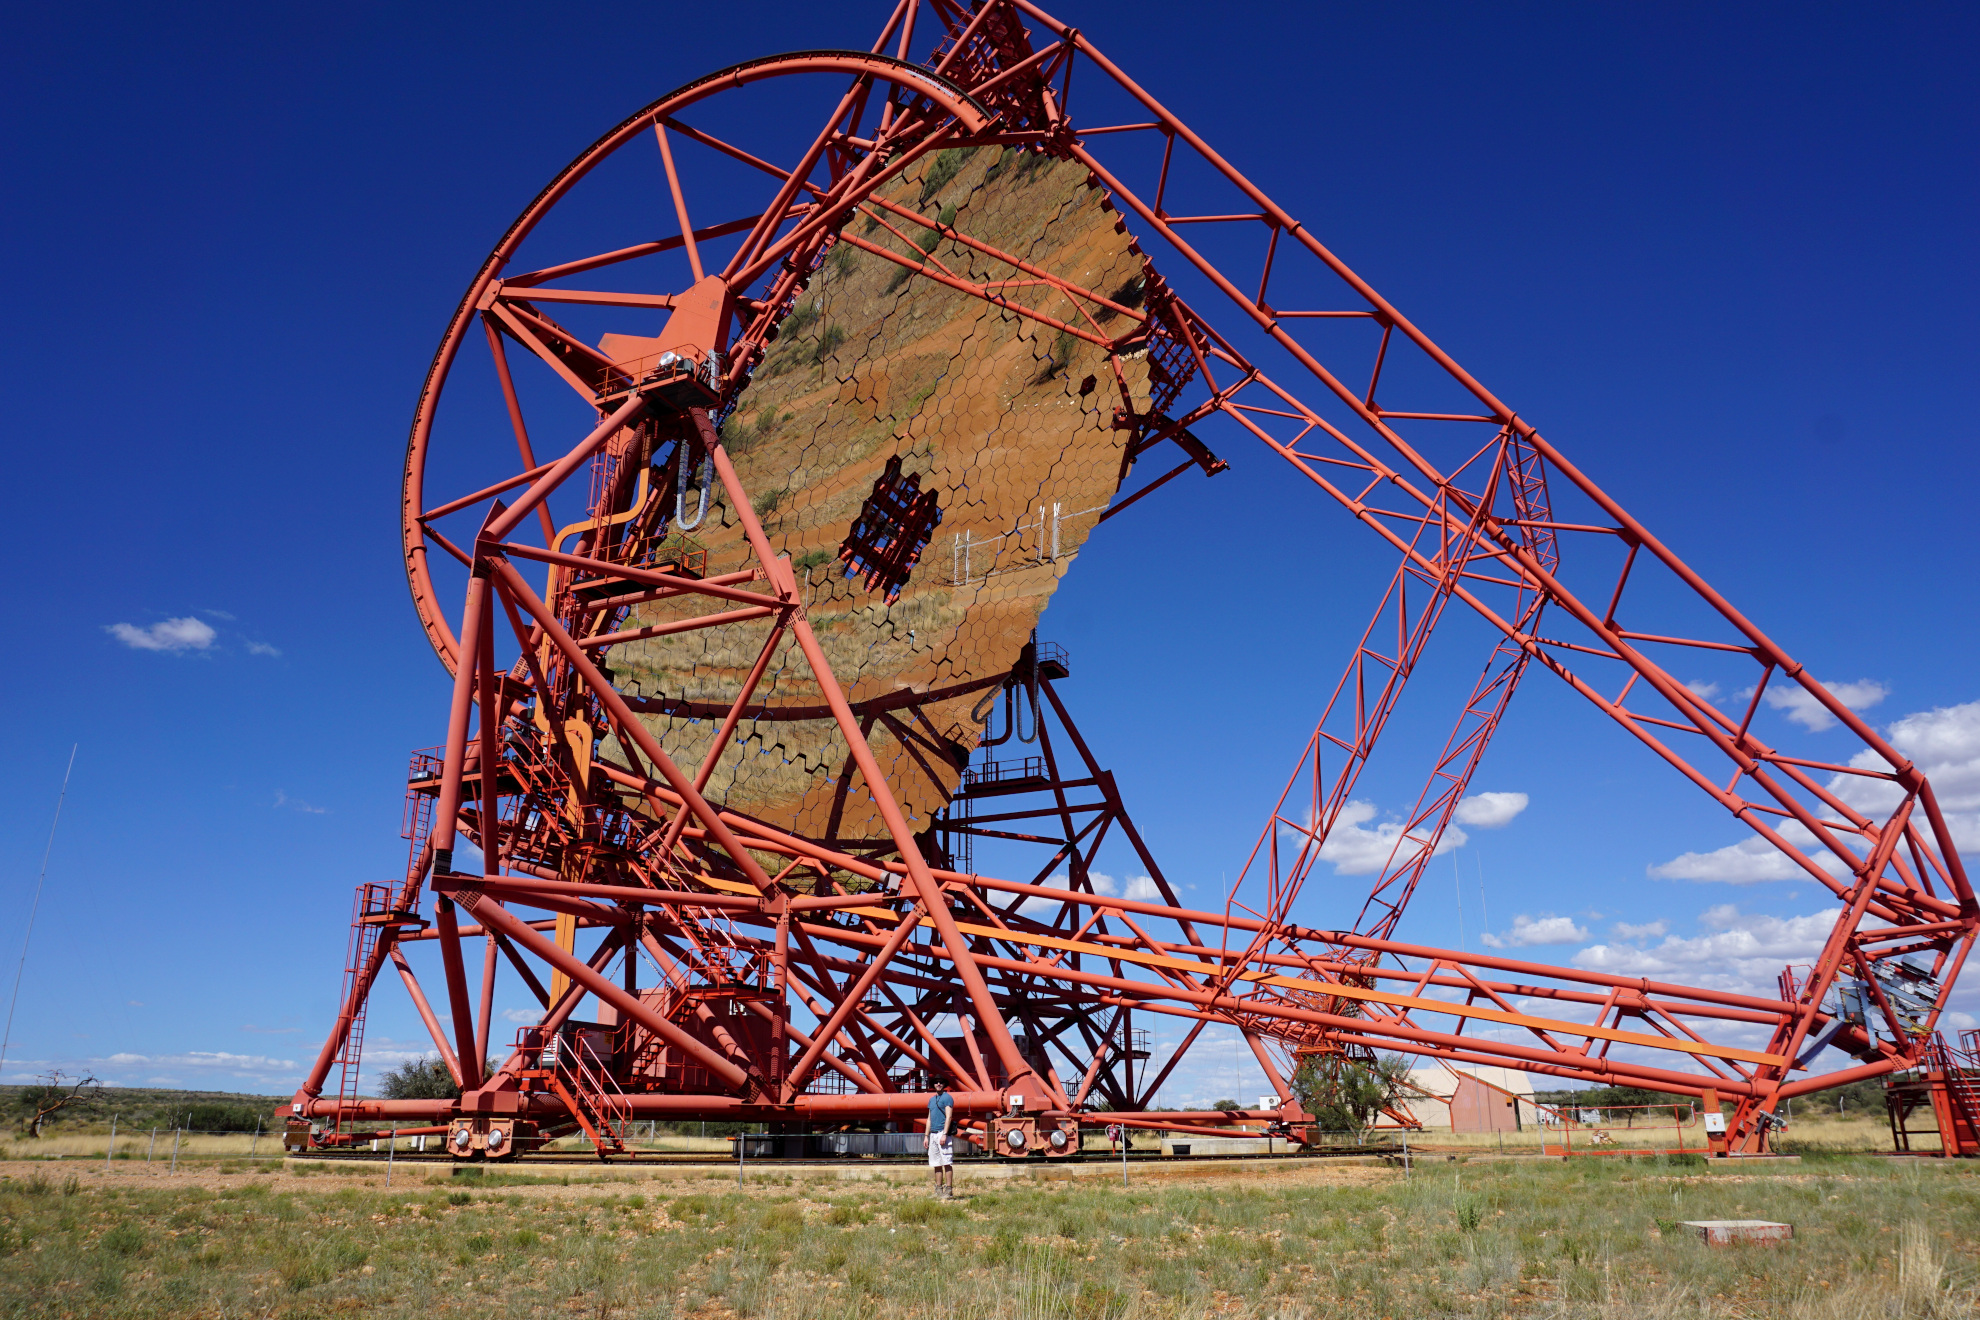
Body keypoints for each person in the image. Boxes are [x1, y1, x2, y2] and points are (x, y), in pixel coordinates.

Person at [926, 1076, 955, 1199]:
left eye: (941, 1082)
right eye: (936, 1082)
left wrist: (944, 1133)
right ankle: (938, 1190)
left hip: (942, 1134)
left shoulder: (947, 1098)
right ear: (933, 1085)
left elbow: (949, 1117)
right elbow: (929, 1119)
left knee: (946, 1162)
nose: (938, 1084)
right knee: (936, 1163)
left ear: (944, 1084)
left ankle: (948, 1190)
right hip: (932, 1134)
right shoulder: (931, 1100)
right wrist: (926, 1136)